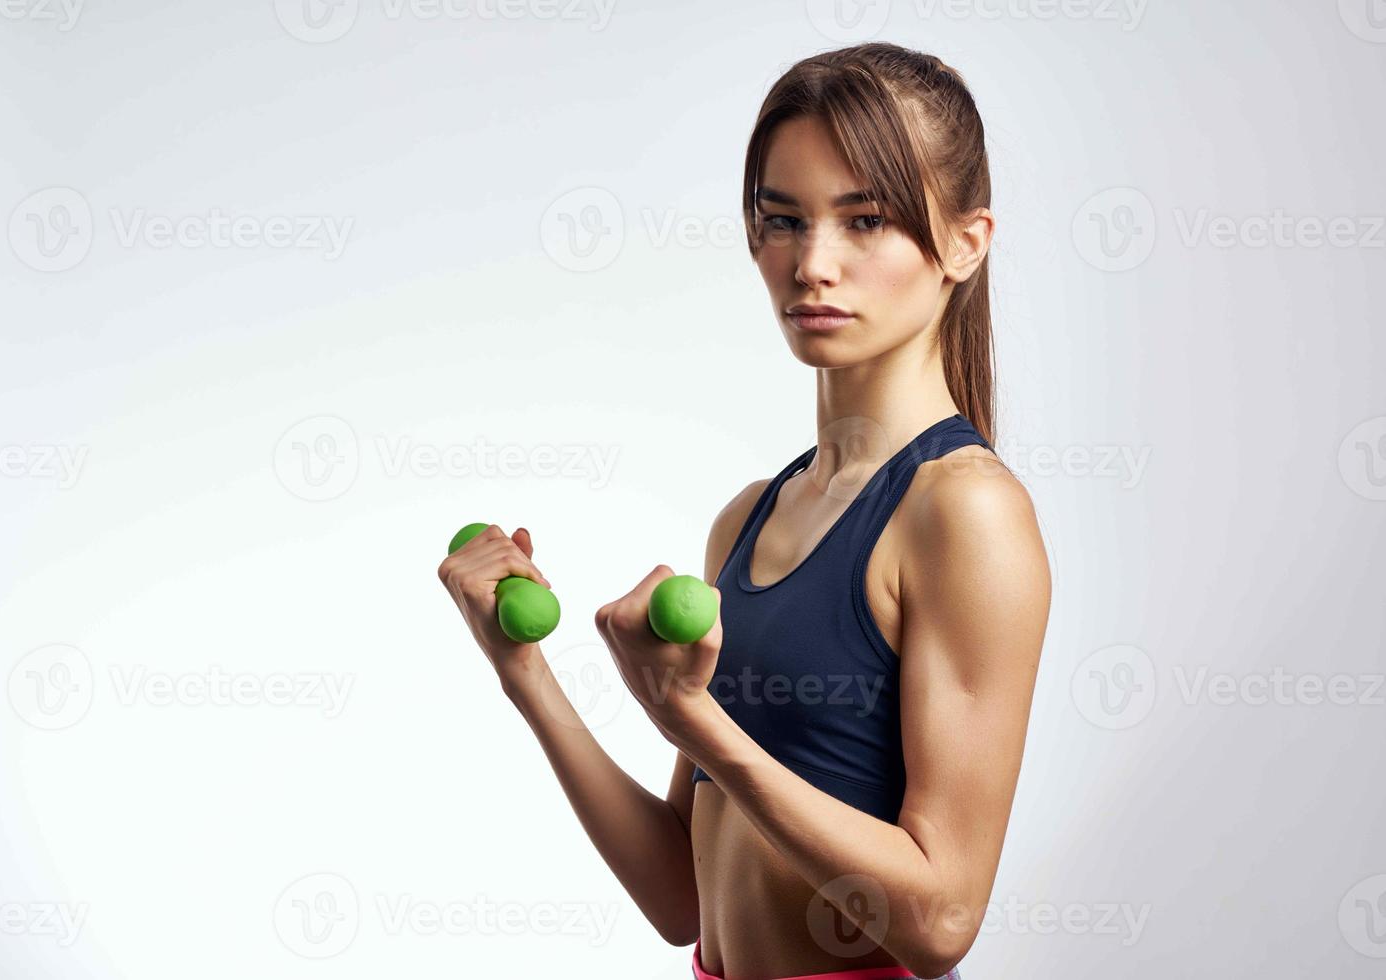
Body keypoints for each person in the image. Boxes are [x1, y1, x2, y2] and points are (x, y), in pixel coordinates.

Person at [438, 42, 1050, 980]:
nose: (813, 264)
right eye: (782, 219)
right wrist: (523, 671)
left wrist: (696, 723)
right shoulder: (748, 519)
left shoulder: (965, 515)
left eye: (866, 219)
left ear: (966, 241)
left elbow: (940, 923)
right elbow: (678, 899)